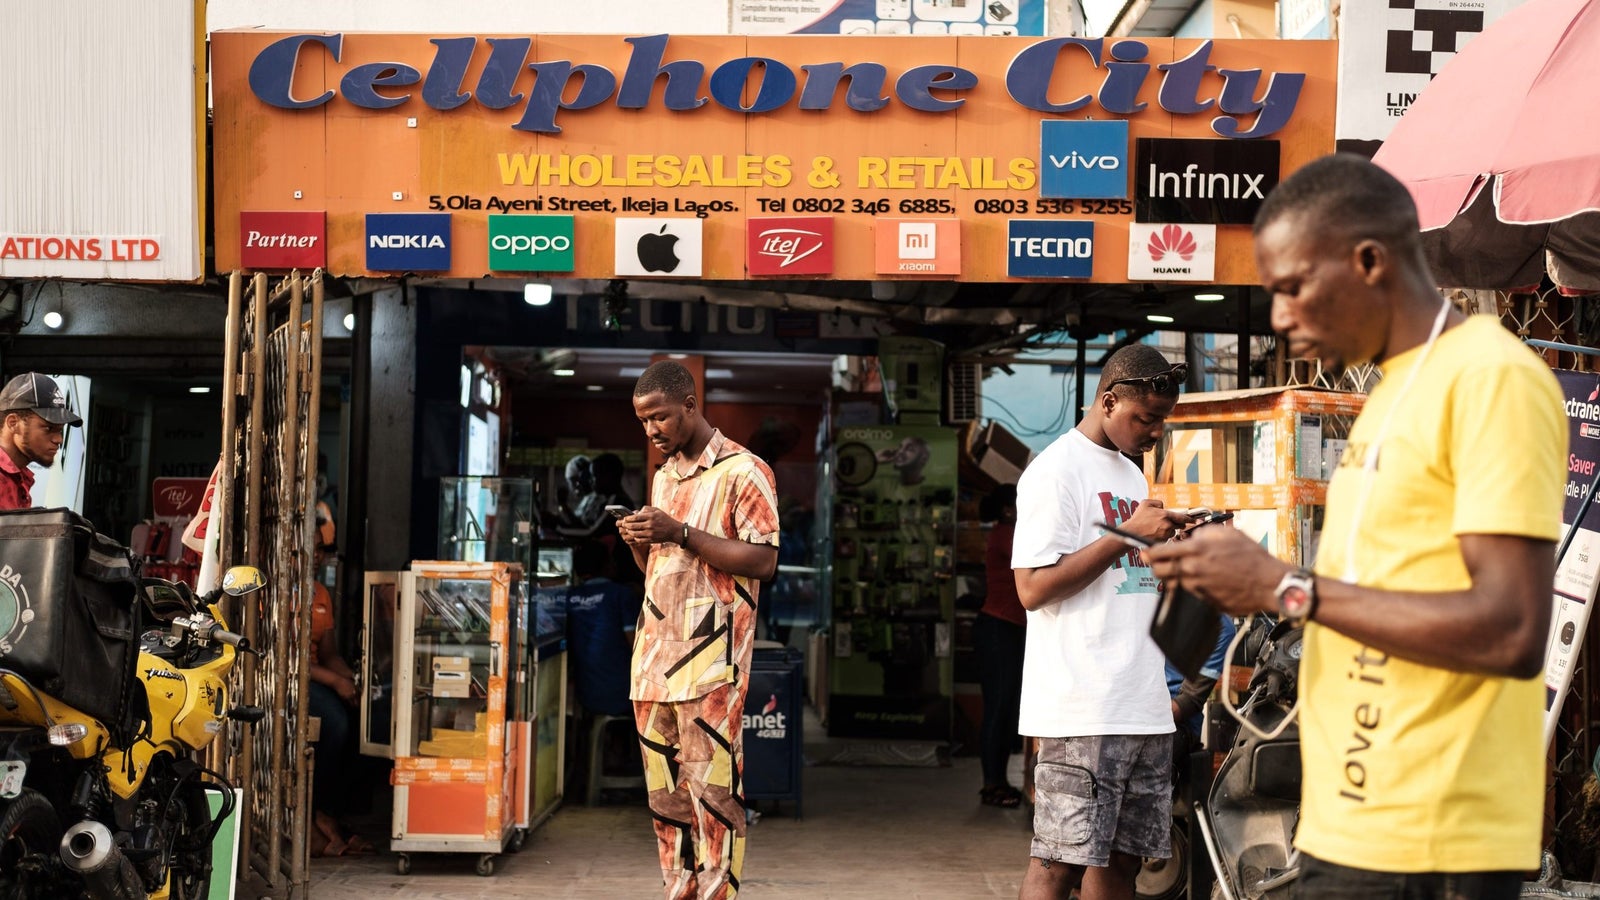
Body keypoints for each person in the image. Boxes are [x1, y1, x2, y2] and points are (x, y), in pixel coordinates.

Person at [1146, 153, 1566, 900]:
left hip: (1431, 841)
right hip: (1349, 823)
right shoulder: (1393, 396)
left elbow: (1511, 629)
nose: (1279, 316)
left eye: (1293, 287)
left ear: (1368, 260)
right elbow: (1372, 595)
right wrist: (1239, 577)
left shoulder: (1490, 380)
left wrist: (1286, 588)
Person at [1011, 344, 1196, 900]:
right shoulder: (1054, 472)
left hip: (1141, 702)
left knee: (1122, 862)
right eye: (1146, 418)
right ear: (1109, 401)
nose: (1155, 432)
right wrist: (1127, 536)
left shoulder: (1132, 476)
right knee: (1060, 862)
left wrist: (1169, 549)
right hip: (1082, 705)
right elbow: (1033, 588)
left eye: (1162, 420)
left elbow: (1125, 579)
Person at [617, 361, 779, 900]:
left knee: (714, 795)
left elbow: (763, 561)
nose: (651, 431)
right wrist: (642, 538)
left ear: (690, 404)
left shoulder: (744, 471)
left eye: (659, 418)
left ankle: (717, 895)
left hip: (710, 666)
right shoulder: (664, 476)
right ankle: (678, 891)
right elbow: (659, 574)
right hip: (653, 664)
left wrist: (680, 531)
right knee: (665, 799)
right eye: (643, 422)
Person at [305, 541, 372, 857]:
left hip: (319, 675)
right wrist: (335, 681)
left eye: (321, 549)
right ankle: (319, 811)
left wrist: (352, 681)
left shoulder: (320, 594)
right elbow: (286, 659)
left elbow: (329, 654)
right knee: (334, 722)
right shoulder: (274, 594)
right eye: (311, 547)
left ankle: (340, 814)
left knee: (368, 719)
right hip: (290, 681)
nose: (317, 554)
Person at [975, 483, 1026, 809]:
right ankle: (991, 783)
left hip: (1009, 630)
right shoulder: (1006, 535)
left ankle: (999, 780)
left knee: (1007, 711)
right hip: (998, 630)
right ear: (1008, 510)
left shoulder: (1009, 532)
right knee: (997, 709)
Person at [563, 538, 643, 719]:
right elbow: (635, 646)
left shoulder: (570, 597)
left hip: (585, 695)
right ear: (606, 565)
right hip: (622, 694)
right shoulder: (621, 595)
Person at [0, 372, 82, 510]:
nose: (59, 440)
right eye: (48, 428)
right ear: (13, 423)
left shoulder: (19, 478)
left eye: (60, 430)